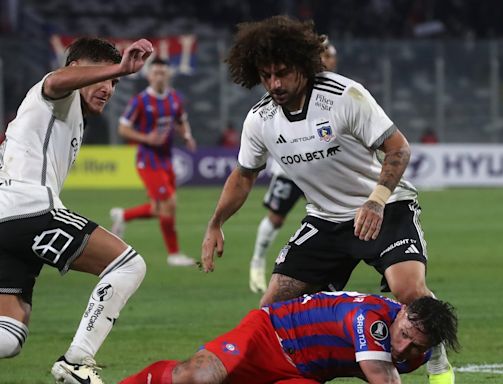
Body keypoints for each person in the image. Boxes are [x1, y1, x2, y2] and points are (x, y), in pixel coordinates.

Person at [201, 16, 454, 383]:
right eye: (266, 75)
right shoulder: (260, 119)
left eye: (283, 73)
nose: (274, 83)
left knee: (410, 291)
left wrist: (377, 199)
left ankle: (438, 362)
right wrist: (215, 223)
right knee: (271, 313)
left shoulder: (345, 96)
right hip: (324, 219)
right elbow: (243, 175)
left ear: (303, 66)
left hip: (385, 207)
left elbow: (398, 149)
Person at [0, 37, 153, 384]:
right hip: (29, 209)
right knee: (128, 264)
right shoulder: (56, 95)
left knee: (9, 337)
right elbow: (55, 81)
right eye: (102, 76)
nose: (110, 87)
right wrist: (120, 66)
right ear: (76, 69)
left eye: (115, 82)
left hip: (6, 221)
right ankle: (76, 361)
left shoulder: (66, 118)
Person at [120, 292, 459, 384]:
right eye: (403, 335)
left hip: (304, 374)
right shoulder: (370, 321)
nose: (403, 348)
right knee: (198, 377)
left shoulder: (417, 354)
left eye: (416, 345)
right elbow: (382, 378)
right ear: (400, 311)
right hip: (269, 335)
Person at [249, 35, 338, 293]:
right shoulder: (293, 87)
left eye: (330, 56)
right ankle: (256, 262)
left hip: (325, 172)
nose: (327, 60)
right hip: (292, 170)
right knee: (275, 218)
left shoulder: (337, 92)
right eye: (323, 55)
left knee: (342, 219)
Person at [110, 57, 197, 267]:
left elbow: (180, 120)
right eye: (155, 72)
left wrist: (187, 135)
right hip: (148, 161)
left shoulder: (174, 98)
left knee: (162, 208)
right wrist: (146, 138)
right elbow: (123, 128)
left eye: (162, 72)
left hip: (166, 159)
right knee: (169, 204)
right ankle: (174, 254)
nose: (159, 76)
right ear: (149, 75)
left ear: (168, 75)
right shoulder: (140, 101)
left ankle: (123, 215)